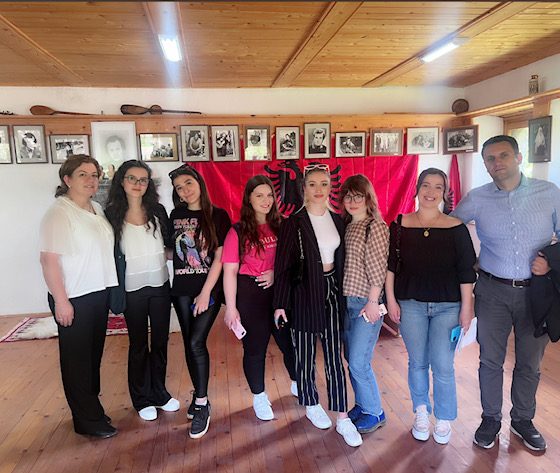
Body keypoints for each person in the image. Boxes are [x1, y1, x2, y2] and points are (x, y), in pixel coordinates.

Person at [452, 135, 560, 452]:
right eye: (490, 158)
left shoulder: (549, 192)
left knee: (529, 362)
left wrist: (550, 261)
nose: (497, 163)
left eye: (503, 155)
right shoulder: (477, 198)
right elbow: (450, 229)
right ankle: (490, 419)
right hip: (492, 292)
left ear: (518, 157)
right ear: (485, 164)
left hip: (537, 293)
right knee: (490, 360)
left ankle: (523, 420)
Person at [273, 163, 362, 447]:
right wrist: (280, 304)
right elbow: (283, 266)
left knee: (335, 355)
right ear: (304, 188)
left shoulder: (338, 220)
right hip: (303, 292)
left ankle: (342, 416)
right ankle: (311, 402)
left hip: (332, 289)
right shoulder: (293, 222)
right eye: (312, 184)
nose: (319, 189)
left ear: (330, 187)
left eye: (324, 183)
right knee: (305, 352)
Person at [385, 168, 476, 445]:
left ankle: (444, 418)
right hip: (410, 304)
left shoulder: (456, 228)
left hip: (448, 307)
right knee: (417, 362)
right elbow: (390, 266)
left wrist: (467, 308)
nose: (431, 192)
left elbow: (466, 272)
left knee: (443, 364)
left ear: (444, 193)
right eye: (426, 185)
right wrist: (390, 299)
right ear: (417, 188)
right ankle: (422, 412)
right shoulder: (400, 225)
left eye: (438, 187)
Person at [39, 154, 118, 438]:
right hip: (74, 296)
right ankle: (87, 420)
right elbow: (48, 260)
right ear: (67, 179)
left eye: (94, 174)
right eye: (83, 174)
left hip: (97, 292)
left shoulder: (96, 208)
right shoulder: (59, 212)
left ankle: (91, 409)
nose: (90, 180)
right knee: (77, 361)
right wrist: (61, 301)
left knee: (92, 357)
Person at [105, 160, 179, 422]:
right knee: (138, 345)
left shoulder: (157, 210)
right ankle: (141, 399)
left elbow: (168, 247)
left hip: (159, 285)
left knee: (160, 341)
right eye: (132, 178)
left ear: (149, 184)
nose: (138, 184)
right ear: (121, 181)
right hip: (131, 289)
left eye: (143, 179)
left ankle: (160, 393)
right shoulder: (111, 214)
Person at [222, 175, 297, 420]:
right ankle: (259, 396)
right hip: (251, 294)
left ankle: (297, 382)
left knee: (289, 343)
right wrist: (231, 308)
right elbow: (230, 271)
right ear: (249, 199)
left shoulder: (283, 225)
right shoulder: (238, 231)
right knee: (255, 349)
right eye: (259, 195)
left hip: (280, 293)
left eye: (269, 195)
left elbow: (294, 260)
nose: (266, 201)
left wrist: (276, 273)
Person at [168, 163, 231, 439]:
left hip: (208, 290)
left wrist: (206, 292)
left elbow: (219, 257)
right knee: (188, 343)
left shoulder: (218, 215)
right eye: (179, 188)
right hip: (181, 289)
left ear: (199, 183)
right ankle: (198, 394)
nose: (185, 191)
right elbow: (172, 251)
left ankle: (203, 403)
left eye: (188, 184)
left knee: (196, 342)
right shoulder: (175, 215)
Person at [339, 174, 389, 435]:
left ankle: (375, 411)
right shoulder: (348, 226)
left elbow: (379, 268)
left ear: (368, 198)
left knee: (359, 361)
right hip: (347, 302)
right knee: (351, 358)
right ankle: (362, 404)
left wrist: (372, 301)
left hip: (366, 304)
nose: (353, 201)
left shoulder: (375, 226)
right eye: (348, 196)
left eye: (358, 196)